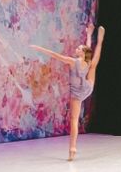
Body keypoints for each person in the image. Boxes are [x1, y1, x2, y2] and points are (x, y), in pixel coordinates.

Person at [30, 21, 105, 159]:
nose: (76, 49)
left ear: (81, 53)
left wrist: (38, 48)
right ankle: (100, 41)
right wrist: (88, 34)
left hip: (77, 93)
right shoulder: (86, 61)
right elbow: (87, 49)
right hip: (87, 88)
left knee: (74, 120)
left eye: (78, 48)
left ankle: (72, 149)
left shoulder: (72, 61)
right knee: (93, 65)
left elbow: (54, 55)